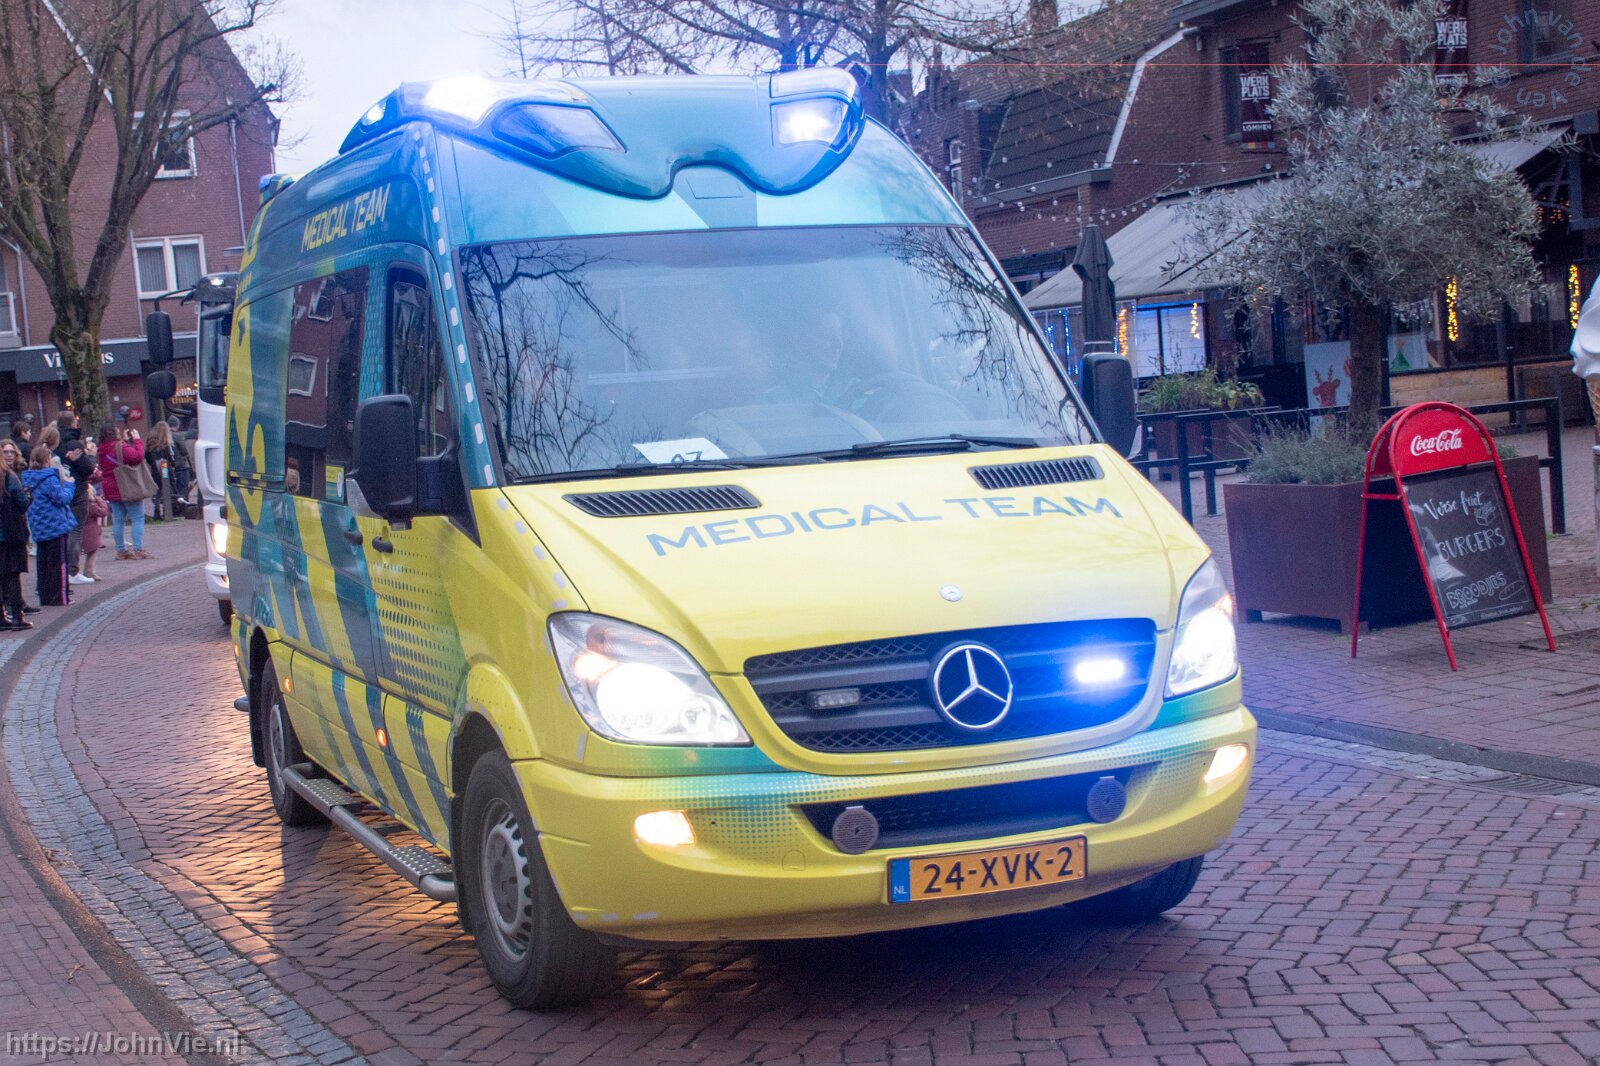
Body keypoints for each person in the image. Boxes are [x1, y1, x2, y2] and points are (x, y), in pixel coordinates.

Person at [22, 444, 75, 607]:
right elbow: (61, 499)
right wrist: (69, 485)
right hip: (55, 525)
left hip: (38, 526)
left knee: (43, 563)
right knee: (59, 563)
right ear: (47, 460)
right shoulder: (49, 478)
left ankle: (45, 596)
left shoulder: (27, 478)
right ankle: (60, 597)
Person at [53, 411, 96, 584]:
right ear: (73, 423)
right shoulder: (74, 444)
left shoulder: (54, 444)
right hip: (77, 489)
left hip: (59, 489)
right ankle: (72, 570)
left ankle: (62, 569)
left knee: (63, 530)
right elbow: (88, 469)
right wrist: (91, 455)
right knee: (76, 529)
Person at [98, 423, 150, 560]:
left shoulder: (101, 448)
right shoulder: (119, 446)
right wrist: (137, 440)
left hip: (110, 486)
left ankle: (121, 550)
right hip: (126, 486)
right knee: (137, 517)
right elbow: (137, 456)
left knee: (118, 519)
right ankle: (138, 549)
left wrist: (125, 442)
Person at [0, 440, 32, 630]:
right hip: (9, 533)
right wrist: (28, 497)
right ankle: (17, 617)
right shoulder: (9, 477)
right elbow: (22, 503)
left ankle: (1, 617)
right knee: (12, 575)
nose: (9, 455)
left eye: (12, 452)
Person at [144, 420, 187, 520]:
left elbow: (147, 457)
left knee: (159, 490)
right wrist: (173, 465)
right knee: (171, 487)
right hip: (165, 468)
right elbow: (171, 457)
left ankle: (157, 511)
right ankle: (175, 509)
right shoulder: (166, 444)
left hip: (155, 470)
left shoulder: (150, 444)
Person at [80, 478, 107, 582]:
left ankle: (79, 571)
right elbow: (103, 512)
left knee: (79, 552)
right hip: (91, 533)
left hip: (83, 531)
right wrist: (101, 501)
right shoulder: (91, 505)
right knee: (92, 552)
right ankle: (89, 571)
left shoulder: (80, 504)